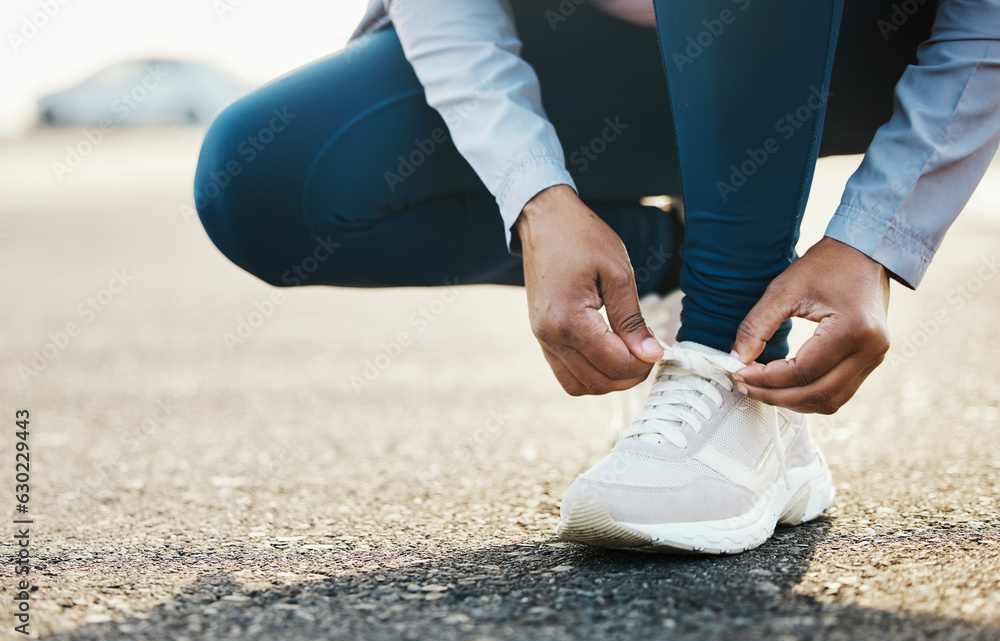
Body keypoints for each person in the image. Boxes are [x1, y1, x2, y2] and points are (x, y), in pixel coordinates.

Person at [194, 0, 1000, 553]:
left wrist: (878, 238)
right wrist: (535, 195)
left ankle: (729, 363)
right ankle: (663, 263)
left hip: (836, 49)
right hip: (581, 48)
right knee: (260, 185)